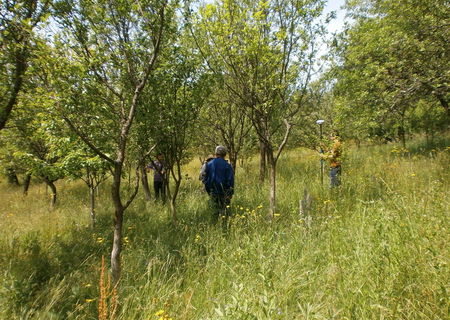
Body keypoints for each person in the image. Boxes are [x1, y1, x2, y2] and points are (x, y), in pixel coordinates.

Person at [202, 146, 234, 220]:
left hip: (213, 192)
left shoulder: (209, 164)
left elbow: (205, 179)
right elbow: (230, 181)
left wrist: (209, 191)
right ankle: (225, 225)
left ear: (215, 153)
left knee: (214, 211)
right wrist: (230, 193)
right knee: (225, 212)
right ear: (225, 154)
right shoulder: (227, 165)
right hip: (225, 193)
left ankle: (214, 225)